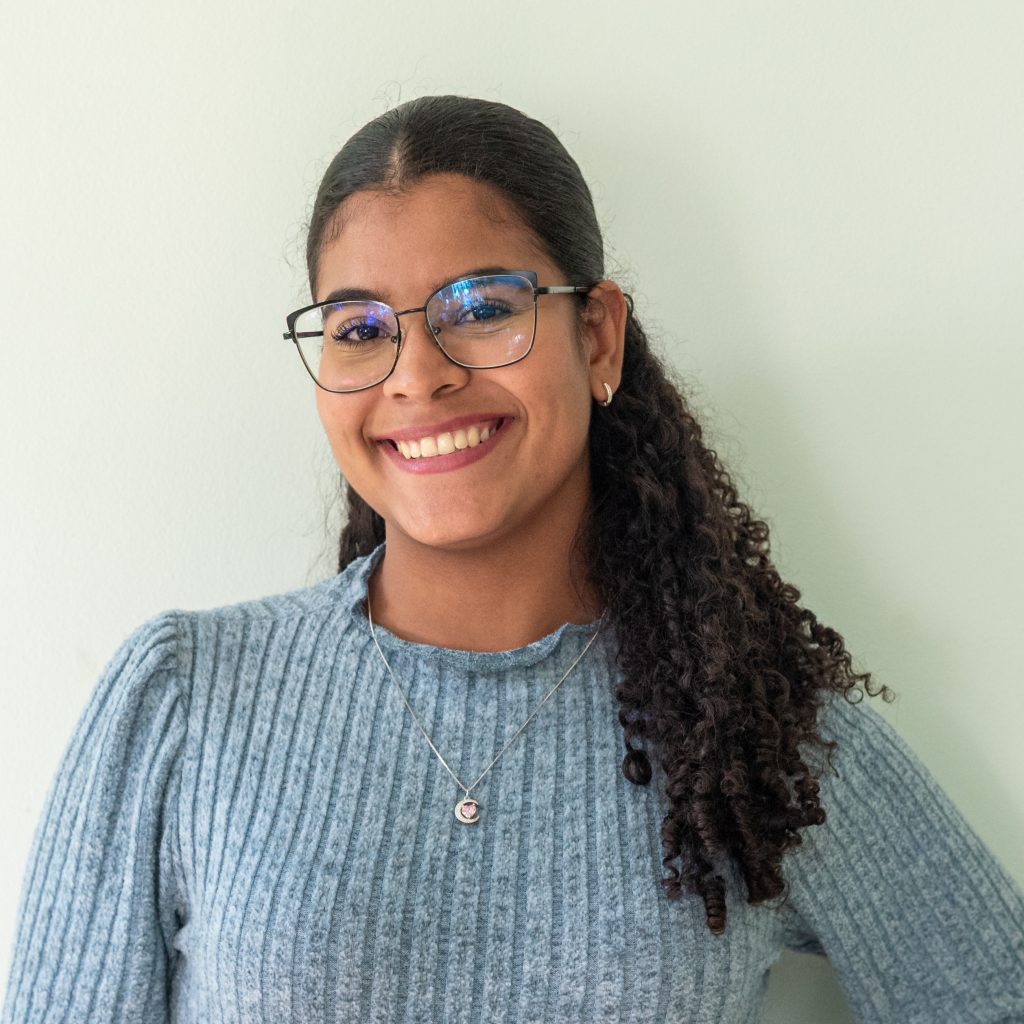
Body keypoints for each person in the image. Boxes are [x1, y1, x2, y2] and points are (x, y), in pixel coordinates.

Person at [3, 95, 1022, 1024]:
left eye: (483, 307)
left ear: (599, 338)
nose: (417, 376)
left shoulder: (752, 731)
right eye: (359, 329)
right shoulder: (185, 700)